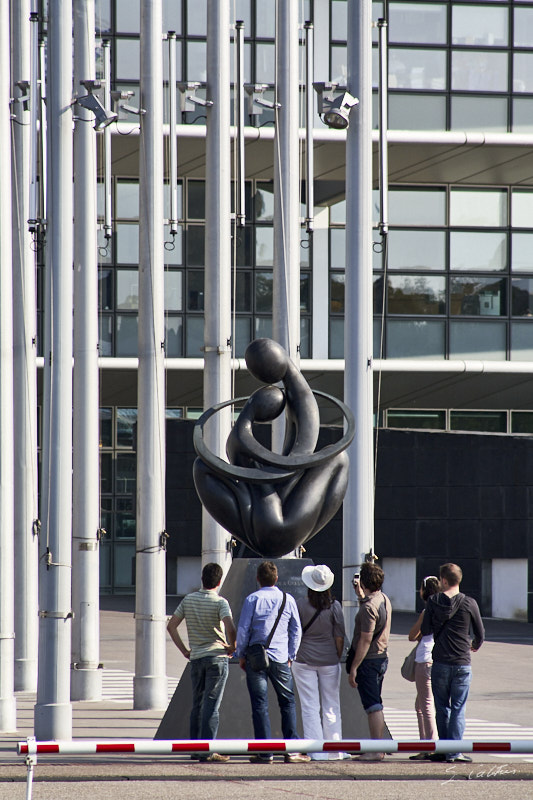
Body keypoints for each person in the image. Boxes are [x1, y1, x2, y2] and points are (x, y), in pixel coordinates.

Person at [236, 560, 311, 764]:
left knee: (260, 705)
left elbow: (243, 630)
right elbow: (296, 629)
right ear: (277, 579)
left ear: (258, 579)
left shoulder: (252, 599)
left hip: (256, 658)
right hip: (280, 658)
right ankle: (291, 750)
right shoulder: (288, 599)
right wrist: (290, 656)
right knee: (287, 702)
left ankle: (265, 752)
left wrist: (240, 655)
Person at [167, 562, 236, 763]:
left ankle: (196, 749)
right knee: (211, 706)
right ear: (220, 581)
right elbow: (230, 626)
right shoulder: (221, 602)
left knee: (196, 704)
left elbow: (171, 626)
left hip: (196, 658)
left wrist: (185, 650)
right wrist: (232, 646)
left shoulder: (188, 600)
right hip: (217, 657)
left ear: (202, 579)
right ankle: (208, 749)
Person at [421, 562, 485, 764]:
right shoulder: (469, 603)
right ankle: (455, 751)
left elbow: (425, 630)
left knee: (442, 707)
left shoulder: (433, 601)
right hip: (462, 663)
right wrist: (473, 644)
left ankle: (444, 748)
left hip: (440, 661)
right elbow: (480, 633)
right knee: (458, 708)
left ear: (444, 580)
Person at [292, 564, 346, 760]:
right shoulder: (335, 606)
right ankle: (335, 750)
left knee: (309, 706)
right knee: (332, 705)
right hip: (329, 661)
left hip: (304, 659)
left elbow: (295, 633)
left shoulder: (299, 604)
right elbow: (339, 637)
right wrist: (335, 656)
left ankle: (316, 751)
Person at [348, 561, 392, 762]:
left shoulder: (368, 608)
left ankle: (376, 749)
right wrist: (360, 596)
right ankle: (377, 746)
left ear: (364, 581)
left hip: (369, 660)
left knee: (373, 705)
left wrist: (354, 667)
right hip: (382, 657)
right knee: (376, 702)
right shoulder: (383, 599)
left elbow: (365, 639)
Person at [407, 575, 440, 760]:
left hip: (425, 658)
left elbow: (412, 635)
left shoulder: (427, 611)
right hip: (438, 657)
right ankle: (424, 744)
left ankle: (430, 745)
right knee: (420, 704)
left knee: (426, 704)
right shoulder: (444, 610)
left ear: (424, 591)